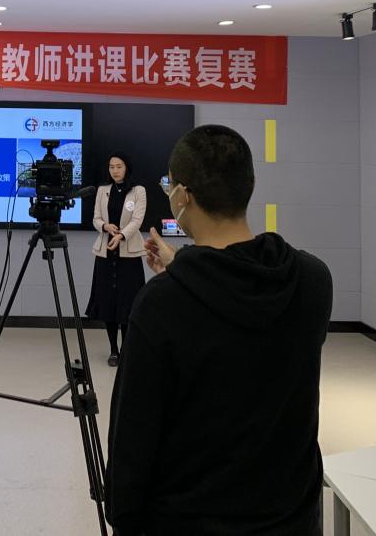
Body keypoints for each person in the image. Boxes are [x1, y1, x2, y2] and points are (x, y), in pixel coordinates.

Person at [105, 125, 333, 536]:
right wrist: (182, 265)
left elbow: (132, 443)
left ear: (182, 196)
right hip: (293, 520)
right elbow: (236, 295)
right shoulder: (312, 281)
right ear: (250, 186)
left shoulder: (160, 306)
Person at [84, 151, 148, 366]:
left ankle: (127, 349)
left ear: (126, 167)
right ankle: (113, 350)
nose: (115, 170)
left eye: (119, 166)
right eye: (111, 167)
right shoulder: (102, 190)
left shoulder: (138, 191)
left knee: (128, 303)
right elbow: (96, 218)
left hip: (128, 254)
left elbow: (137, 220)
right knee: (108, 303)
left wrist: (121, 235)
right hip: (105, 253)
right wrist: (105, 226)